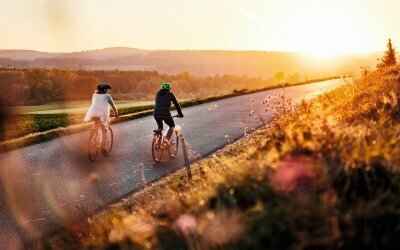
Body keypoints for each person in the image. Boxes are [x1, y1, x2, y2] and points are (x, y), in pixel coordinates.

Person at [84, 83, 119, 154]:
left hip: (92, 113)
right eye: (107, 89)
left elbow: (95, 104)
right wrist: (116, 114)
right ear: (105, 90)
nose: (108, 91)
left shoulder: (94, 95)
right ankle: (103, 148)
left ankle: (94, 132)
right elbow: (113, 106)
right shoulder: (107, 96)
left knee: (96, 123)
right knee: (104, 130)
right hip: (103, 114)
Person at [153, 82, 184, 146]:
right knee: (172, 126)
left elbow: (157, 103)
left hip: (156, 114)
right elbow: (177, 105)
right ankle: (167, 139)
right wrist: (180, 114)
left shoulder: (158, 93)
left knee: (160, 127)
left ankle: (158, 143)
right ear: (169, 89)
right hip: (166, 114)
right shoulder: (170, 94)